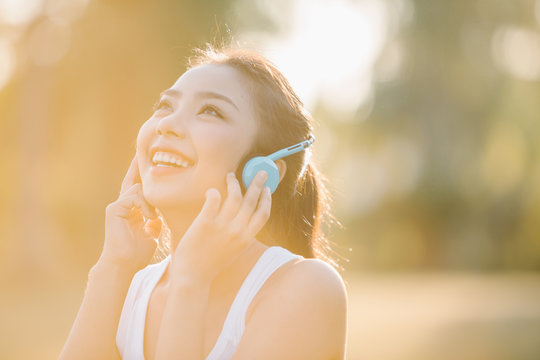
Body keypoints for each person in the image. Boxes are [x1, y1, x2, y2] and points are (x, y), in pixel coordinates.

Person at [59, 45, 348, 360]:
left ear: (262, 172)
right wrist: (113, 267)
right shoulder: (131, 288)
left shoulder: (307, 289)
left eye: (211, 111)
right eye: (165, 106)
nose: (165, 124)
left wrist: (191, 281)